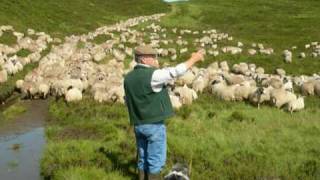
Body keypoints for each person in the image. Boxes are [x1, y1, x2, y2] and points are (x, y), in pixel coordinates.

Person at [124, 45, 204, 180]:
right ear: (143, 59)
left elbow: (129, 100)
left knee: (142, 159)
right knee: (155, 161)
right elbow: (175, 71)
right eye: (152, 57)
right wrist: (193, 59)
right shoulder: (153, 75)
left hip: (138, 125)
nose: (156, 59)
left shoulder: (128, 78)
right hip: (154, 126)